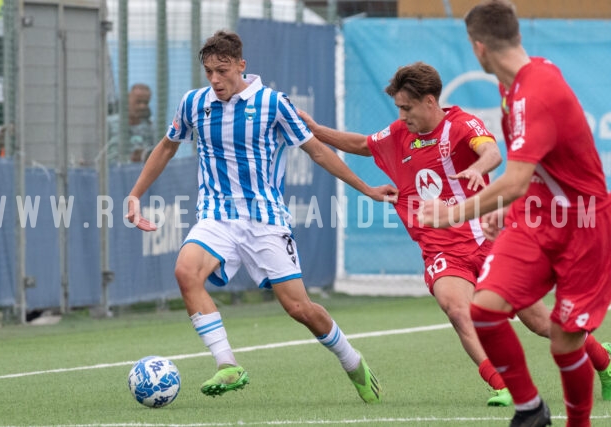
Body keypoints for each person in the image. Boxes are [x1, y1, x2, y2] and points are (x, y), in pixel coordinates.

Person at [125, 30, 399, 403]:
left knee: (299, 308)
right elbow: (167, 147)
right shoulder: (193, 104)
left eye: (222, 70)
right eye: (208, 72)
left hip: (266, 222)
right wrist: (136, 194)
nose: (216, 80)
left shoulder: (273, 104)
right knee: (185, 272)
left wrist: (366, 189)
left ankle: (352, 362)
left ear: (242, 65)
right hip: (216, 216)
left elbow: (317, 152)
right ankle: (227, 364)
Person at [298, 61, 554, 407]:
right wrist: (315, 129)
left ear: (430, 102)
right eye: (398, 108)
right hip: (442, 252)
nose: (401, 115)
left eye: (407, 107)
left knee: (539, 321)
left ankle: (601, 359)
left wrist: (478, 168)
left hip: (486, 241)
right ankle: (503, 383)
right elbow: (361, 143)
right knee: (458, 310)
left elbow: (491, 152)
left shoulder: (462, 125)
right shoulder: (398, 135)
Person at [419, 1, 611, 425]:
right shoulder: (513, 88)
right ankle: (530, 409)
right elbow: (528, 175)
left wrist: (452, 213)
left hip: (583, 226)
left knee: (563, 341)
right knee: (485, 310)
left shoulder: (538, 91)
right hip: (536, 220)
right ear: (516, 37)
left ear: (478, 49)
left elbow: (517, 179)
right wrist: (505, 209)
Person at [107, 82, 155, 163]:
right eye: (138, 102)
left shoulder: (150, 127)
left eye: (145, 103)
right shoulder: (110, 124)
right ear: (128, 100)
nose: (142, 106)